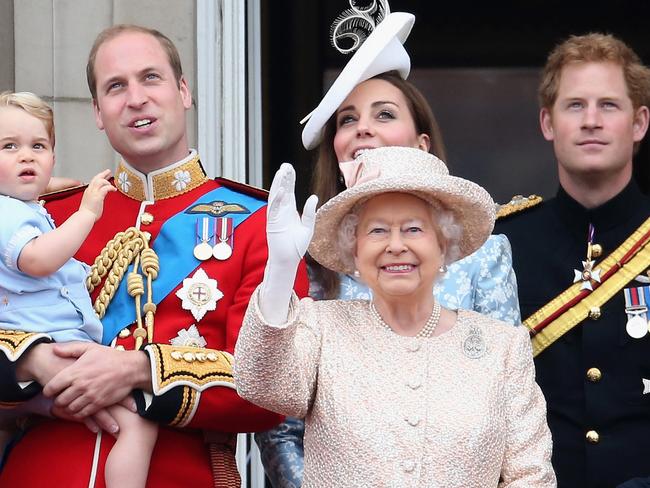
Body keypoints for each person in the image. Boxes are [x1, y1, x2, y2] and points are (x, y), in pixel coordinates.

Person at [0, 24, 309, 487]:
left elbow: (271, 390)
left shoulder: (259, 224)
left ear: (183, 91)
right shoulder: (48, 218)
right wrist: (31, 363)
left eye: (151, 78)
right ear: (98, 112)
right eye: (116, 86)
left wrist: (137, 369)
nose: (136, 98)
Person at [256, 7, 520, 487]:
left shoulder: (485, 254)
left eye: (384, 115)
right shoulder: (308, 263)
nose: (362, 128)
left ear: (422, 146)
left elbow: (513, 430)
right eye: (347, 119)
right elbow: (278, 422)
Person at [234, 146, 556, 487]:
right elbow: (262, 386)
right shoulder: (321, 326)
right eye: (377, 231)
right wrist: (280, 272)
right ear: (354, 249)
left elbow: (530, 476)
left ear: (444, 245)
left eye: (414, 229)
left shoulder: (502, 347)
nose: (396, 245)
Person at [495, 33, 650, 488]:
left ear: (639, 123)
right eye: (575, 105)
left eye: (609, 105)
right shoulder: (502, 244)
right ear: (548, 122)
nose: (591, 121)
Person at [0, 91, 157, 488]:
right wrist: (87, 212)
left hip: (49, 357)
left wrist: (59, 186)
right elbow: (37, 259)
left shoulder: (28, 204)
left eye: (38, 147)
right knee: (140, 421)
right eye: (9, 147)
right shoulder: (11, 213)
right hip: (52, 349)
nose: (26, 157)